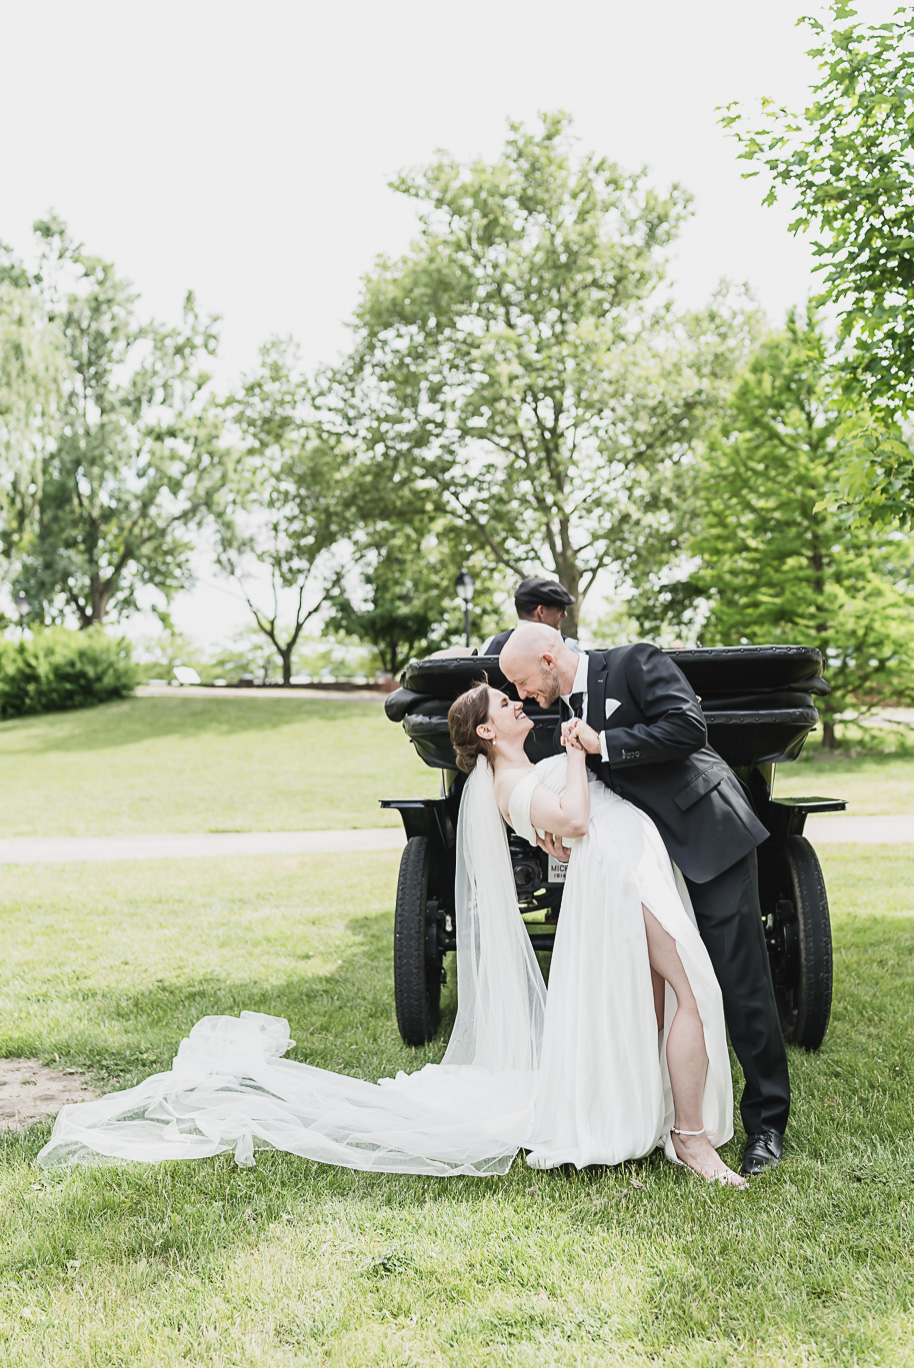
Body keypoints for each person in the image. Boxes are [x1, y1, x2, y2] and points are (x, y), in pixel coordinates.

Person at [35, 681, 744, 1187]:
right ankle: (681, 1136)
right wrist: (582, 758)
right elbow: (575, 821)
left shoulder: (520, 771)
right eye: (503, 702)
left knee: (661, 997)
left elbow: (563, 825)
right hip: (617, 878)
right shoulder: (509, 783)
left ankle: (656, 1118)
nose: (517, 702)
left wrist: (566, 799)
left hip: (619, 880)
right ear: (488, 731)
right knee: (683, 991)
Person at [499, 622, 790, 1177]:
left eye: (521, 682)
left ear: (547, 657)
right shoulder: (563, 707)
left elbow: (688, 728)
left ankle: (768, 1123)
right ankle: (662, 1112)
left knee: (740, 978)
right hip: (650, 860)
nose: (521, 696)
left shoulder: (634, 662)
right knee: (671, 985)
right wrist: (547, 823)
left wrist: (605, 743)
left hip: (708, 836)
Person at [481, 576, 580, 656]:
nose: (564, 615)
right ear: (541, 611)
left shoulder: (490, 644)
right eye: (561, 609)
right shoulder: (568, 647)